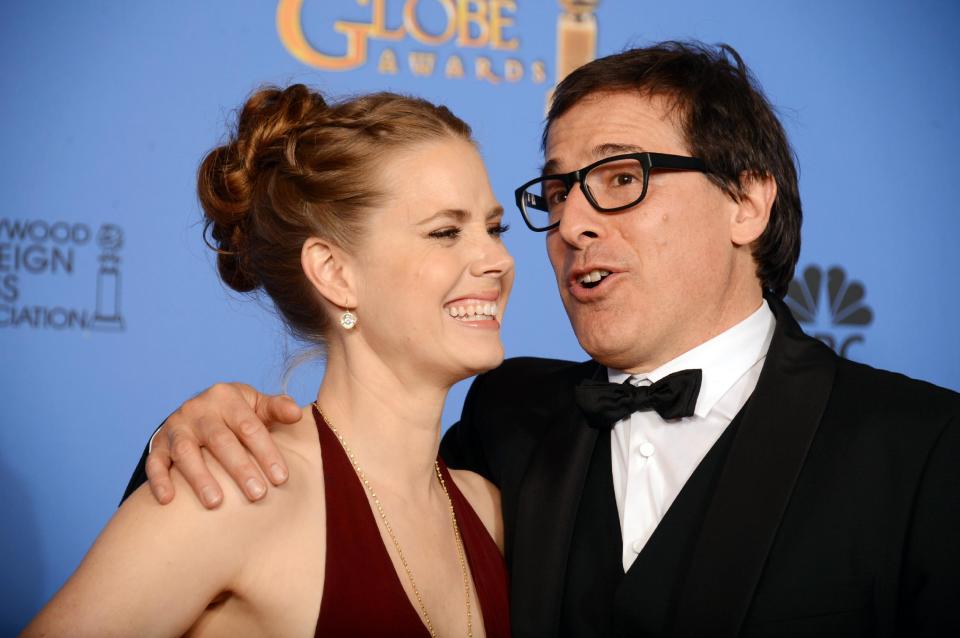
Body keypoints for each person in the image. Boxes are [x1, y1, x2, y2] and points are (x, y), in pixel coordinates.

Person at [124, 42, 959, 637]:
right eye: (557, 193)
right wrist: (196, 432)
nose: (572, 224)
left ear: (747, 201)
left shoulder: (923, 451)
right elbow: (342, 504)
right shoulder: (509, 417)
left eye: (621, 178)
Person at [25, 85, 514, 637]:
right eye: (445, 232)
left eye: (495, 228)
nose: (496, 258)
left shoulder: (492, 512)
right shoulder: (235, 491)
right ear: (334, 272)